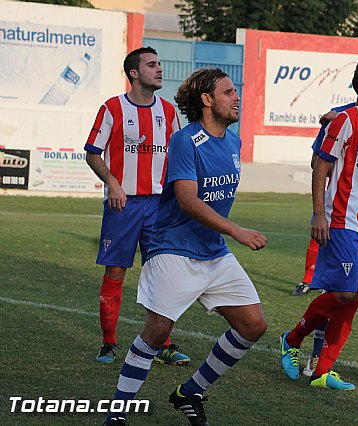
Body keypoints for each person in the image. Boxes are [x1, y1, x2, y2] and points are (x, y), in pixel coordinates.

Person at [103, 68, 268, 426]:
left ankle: (190, 391)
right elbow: (188, 201)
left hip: (213, 253)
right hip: (174, 249)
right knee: (157, 333)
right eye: (228, 92)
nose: (236, 97)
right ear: (207, 100)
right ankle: (116, 416)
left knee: (253, 325)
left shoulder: (233, 142)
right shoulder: (185, 140)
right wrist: (236, 231)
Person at [279, 56, 358, 390]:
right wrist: (319, 213)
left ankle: (322, 372)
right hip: (341, 220)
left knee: (356, 296)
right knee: (344, 291)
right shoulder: (347, 120)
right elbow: (321, 164)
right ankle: (291, 339)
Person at [85, 46, 190, 366]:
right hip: (123, 206)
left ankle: (164, 344)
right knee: (116, 271)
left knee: (163, 274)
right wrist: (113, 184)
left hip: (161, 206)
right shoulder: (112, 108)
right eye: (152, 65)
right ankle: (108, 343)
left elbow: (180, 157)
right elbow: (92, 152)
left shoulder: (170, 112)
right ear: (134, 73)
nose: (160, 69)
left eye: (160, 64)